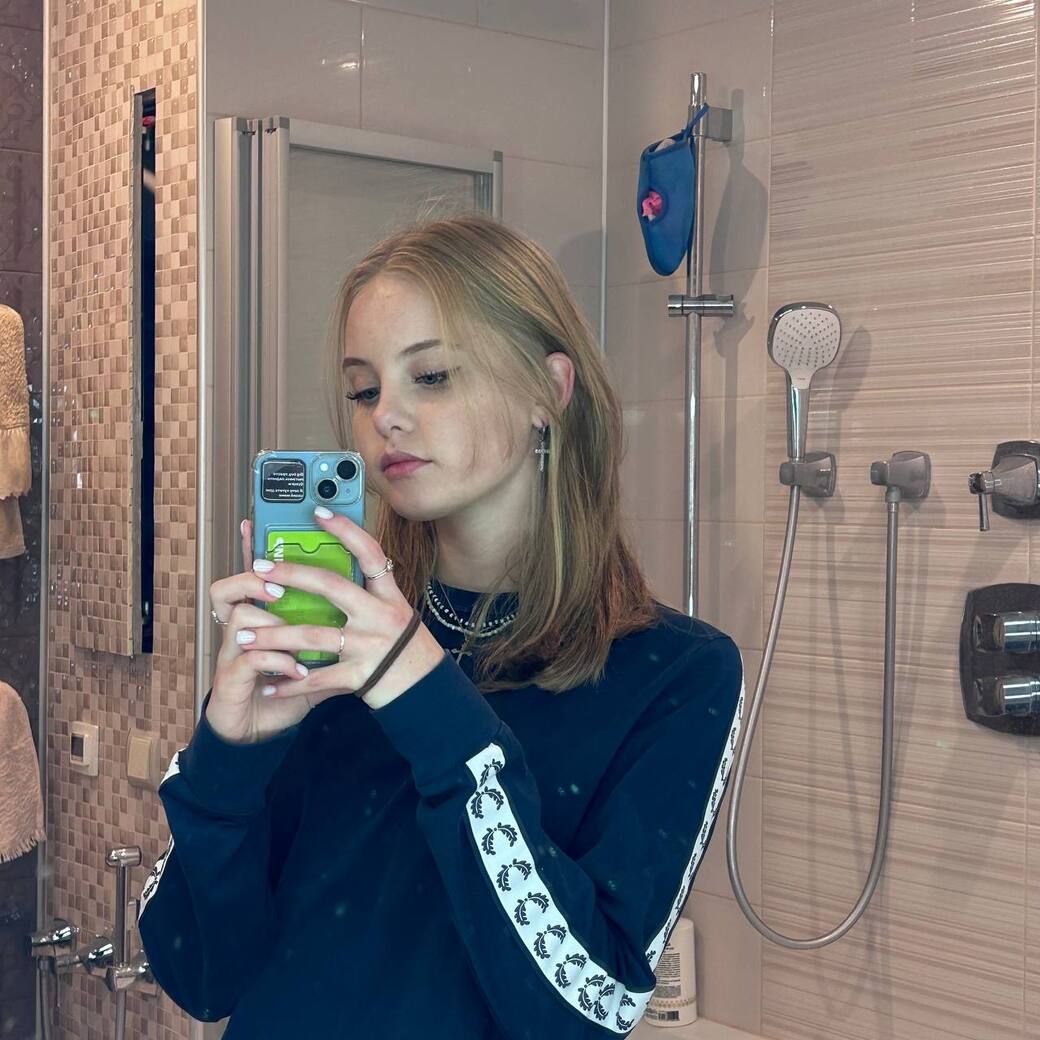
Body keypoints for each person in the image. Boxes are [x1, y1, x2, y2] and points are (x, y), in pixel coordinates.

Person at [137, 212, 745, 1038]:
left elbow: (587, 1008)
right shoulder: (330, 648)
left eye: (430, 376)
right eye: (364, 390)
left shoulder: (675, 673)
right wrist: (229, 759)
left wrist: (428, 705)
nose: (385, 415)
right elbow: (202, 976)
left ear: (547, 392)